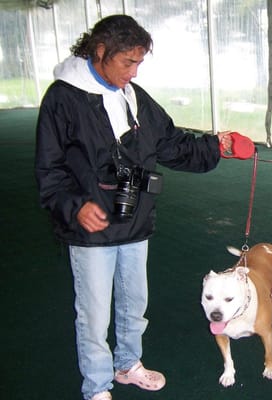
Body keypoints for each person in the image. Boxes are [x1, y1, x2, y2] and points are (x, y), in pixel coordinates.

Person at [34, 15, 232, 400]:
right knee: (93, 315)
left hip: (134, 220)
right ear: (100, 51)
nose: (134, 71)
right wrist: (75, 207)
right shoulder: (62, 98)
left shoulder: (132, 95)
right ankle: (96, 386)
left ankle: (128, 365)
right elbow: (49, 168)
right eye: (128, 61)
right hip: (91, 230)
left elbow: (171, 143)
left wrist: (215, 145)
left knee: (133, 303)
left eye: (139, 62)